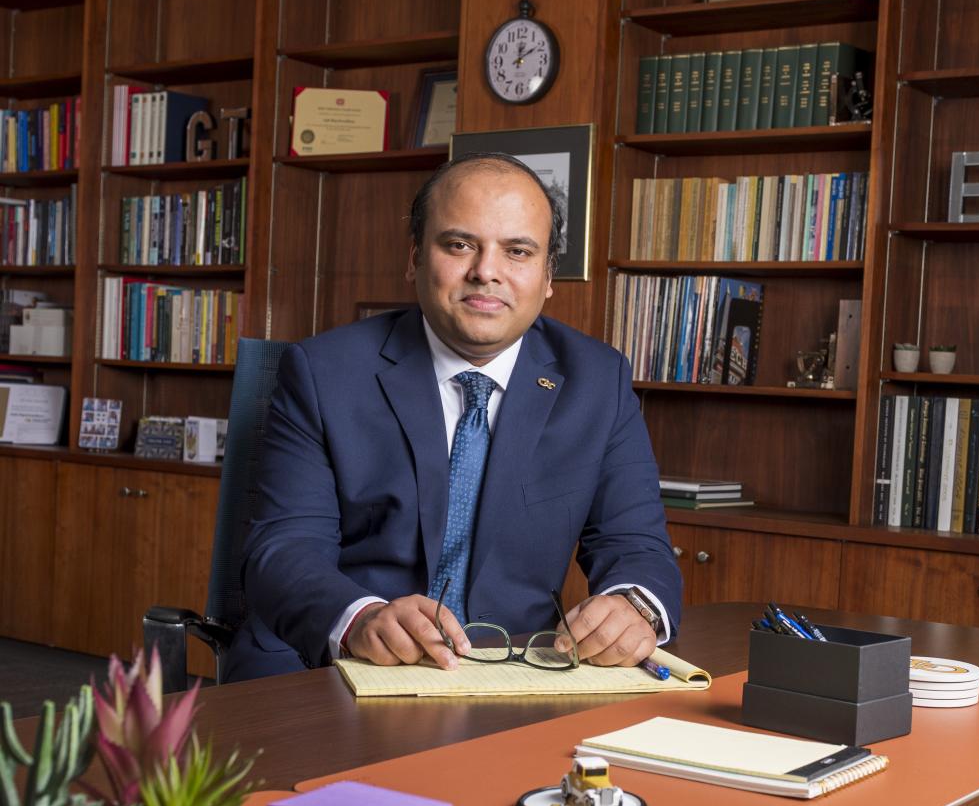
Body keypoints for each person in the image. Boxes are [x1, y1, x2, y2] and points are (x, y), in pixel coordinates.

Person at [222, 153, 682, 683]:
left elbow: (636, 544)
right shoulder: (324, 372)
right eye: (460, 244)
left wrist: (634, 607)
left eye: (517, 251)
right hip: (336, 666)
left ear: (548, 275)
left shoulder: (597, 381)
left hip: (514, 674)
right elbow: (284, 549)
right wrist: (360, 618)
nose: (486, 272)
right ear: (416, 258)